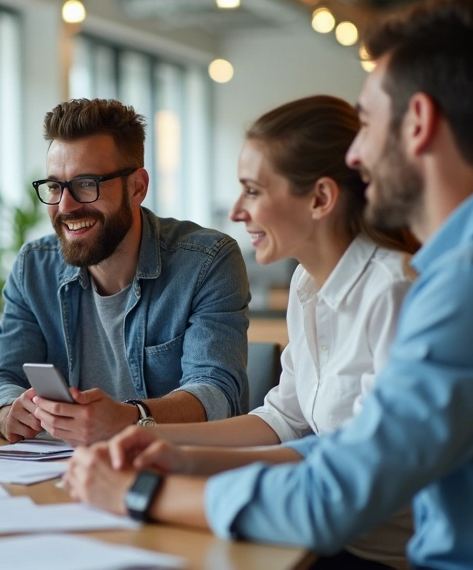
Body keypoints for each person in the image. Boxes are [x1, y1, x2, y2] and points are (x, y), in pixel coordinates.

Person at [65, 0, 473, 568]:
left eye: (368, 123)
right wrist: (179, 452)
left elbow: (337, 491)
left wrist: (141, 493)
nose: (357, 153)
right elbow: (336, 446)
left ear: (418, 123)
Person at [127, 95, 419, 569]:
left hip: (380, 554)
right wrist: (160, 438)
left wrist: (180, 468)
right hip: (318, 538)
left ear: (321, 198)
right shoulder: (307, 283)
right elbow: (283, 421)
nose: (237, 212)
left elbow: (358, 462)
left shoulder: (394, 292)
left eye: (253, 191)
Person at [0, 98, 249, 447]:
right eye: (56, 186)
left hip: (173, 470)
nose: (65, 206)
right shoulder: (34, 267)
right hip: (59, 475)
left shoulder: (206, 262)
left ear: (137, 187)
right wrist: (7, 411)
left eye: (86, 184)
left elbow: (217, 392)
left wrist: (130, 419)